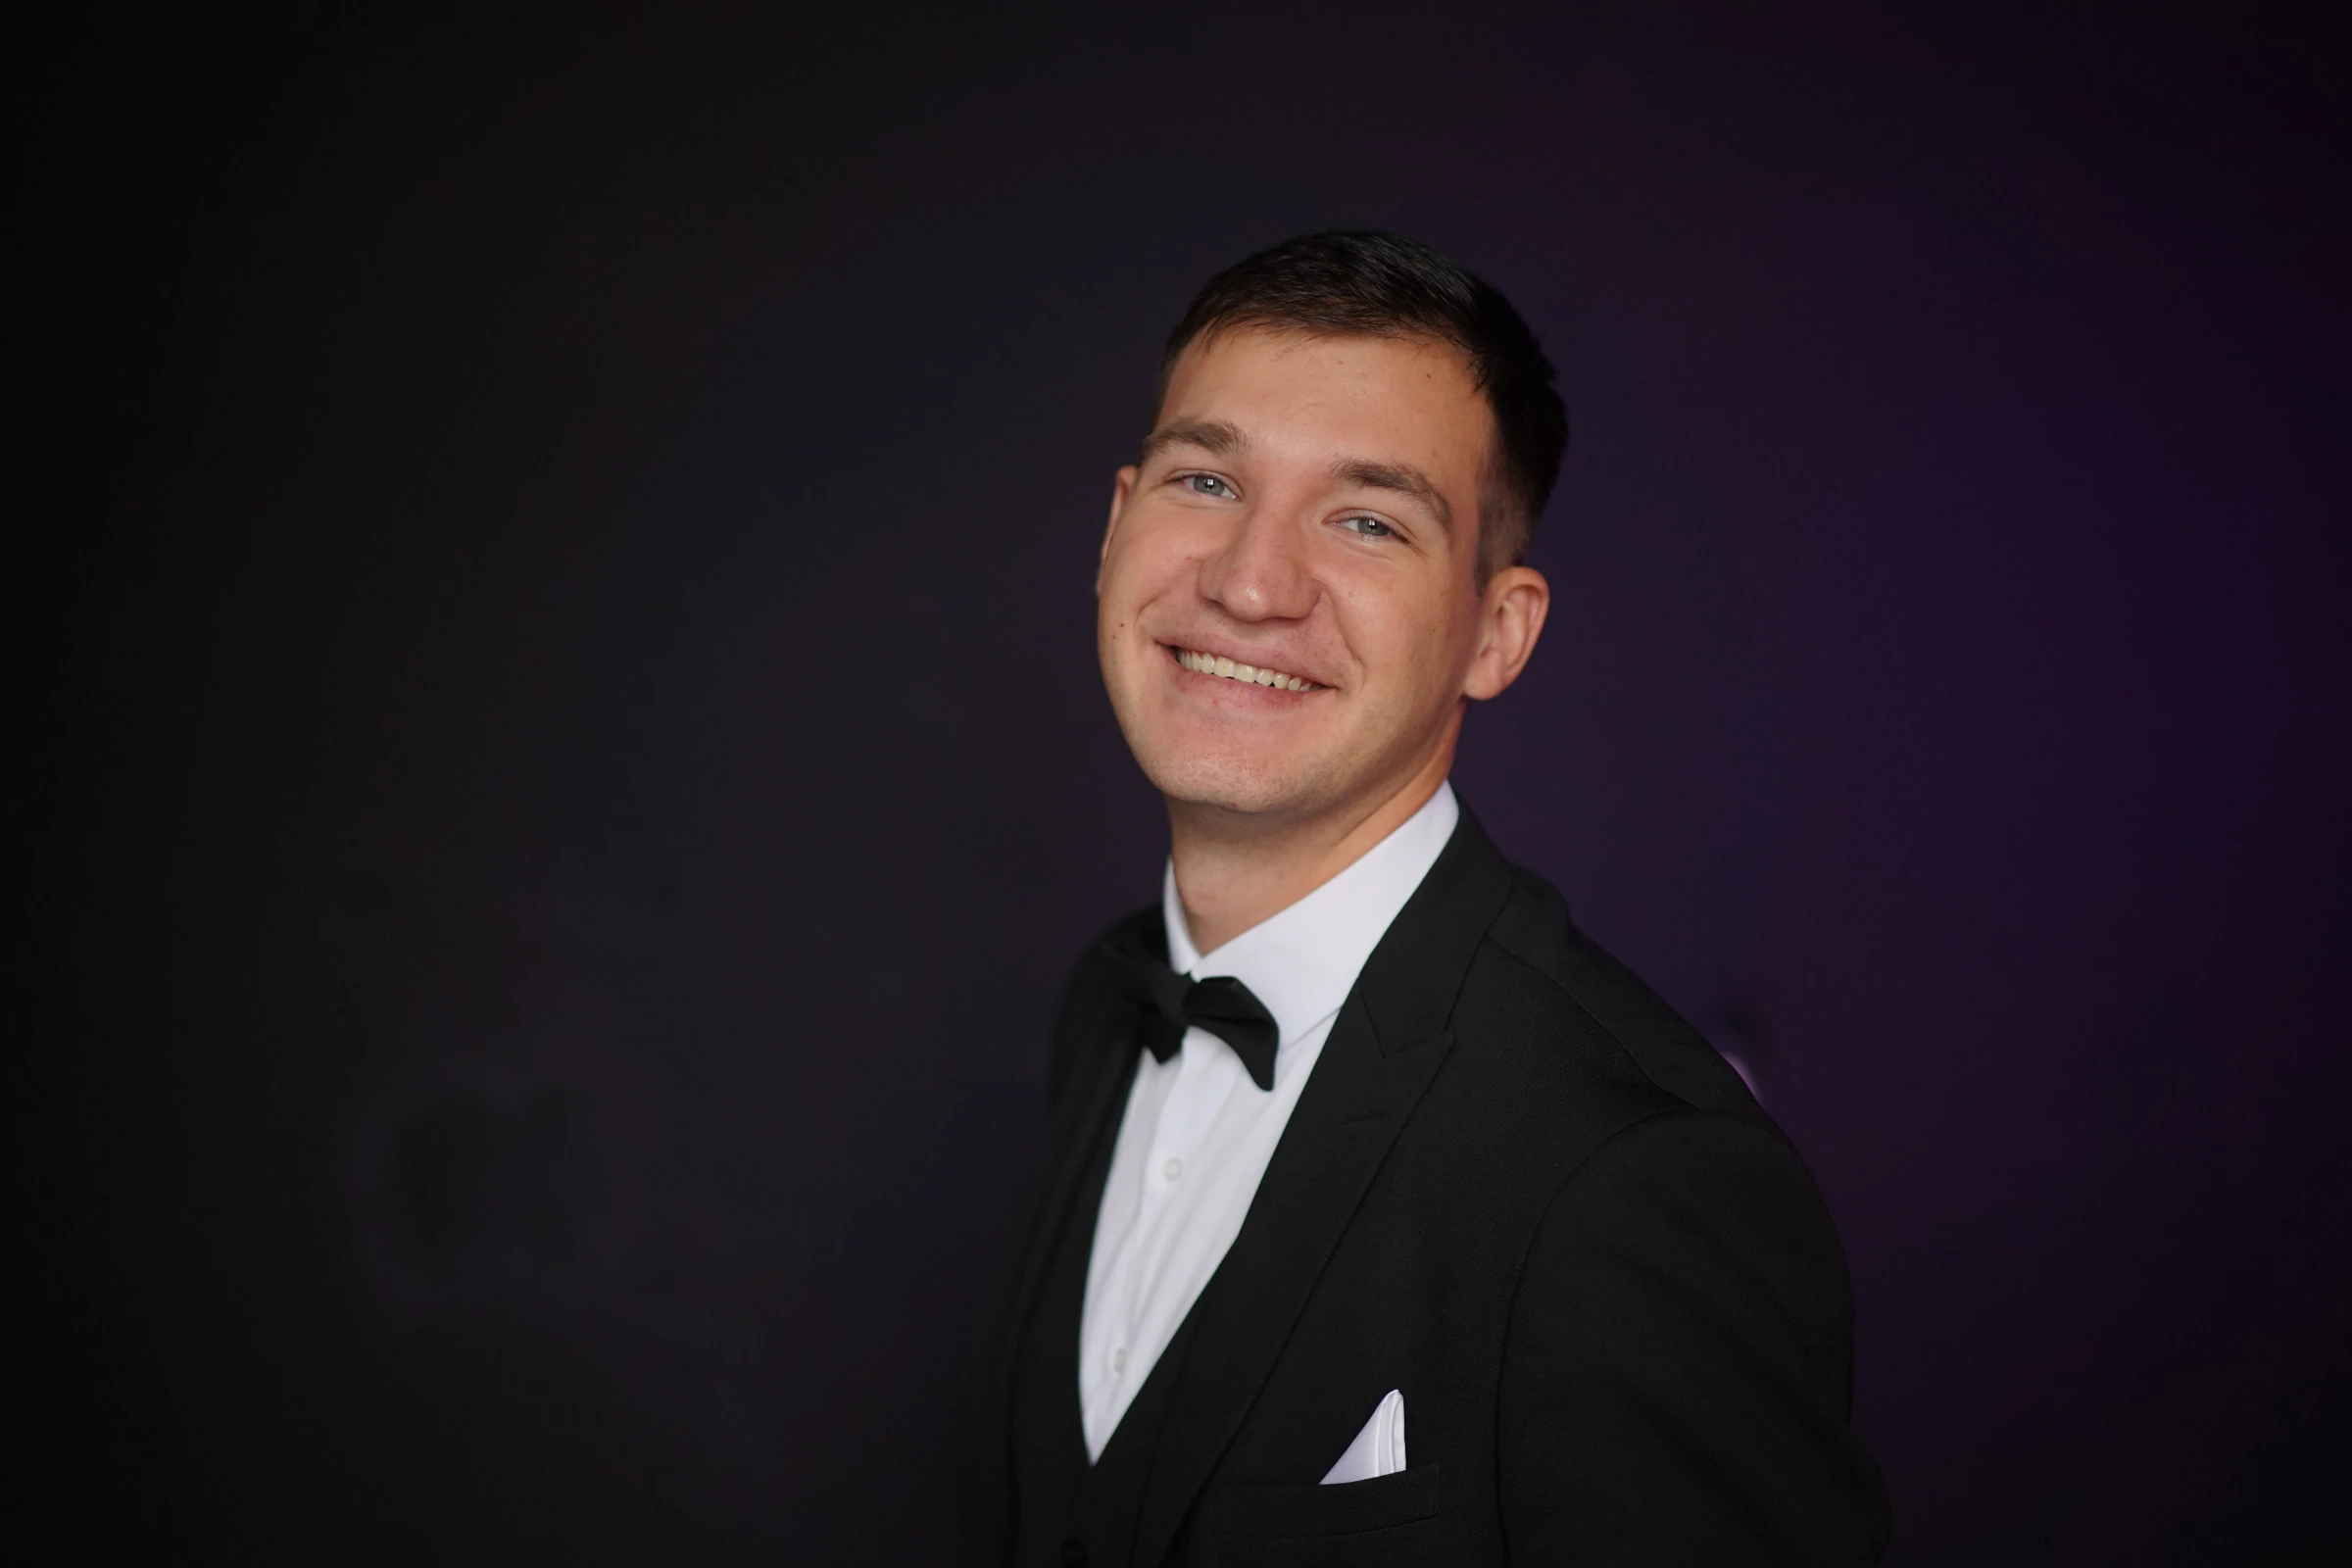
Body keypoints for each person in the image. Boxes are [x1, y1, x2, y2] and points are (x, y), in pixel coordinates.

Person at [959, 231, 1889, 1566]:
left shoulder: (1638, 1172)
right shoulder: (1108, 1012)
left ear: (1496, 632)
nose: (1249, 582)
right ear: (1115, 529)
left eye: (1367, 520)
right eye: (1208, 479)